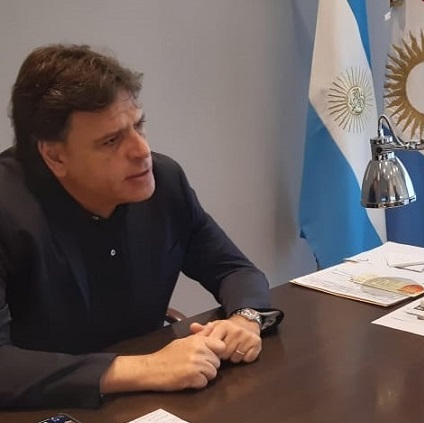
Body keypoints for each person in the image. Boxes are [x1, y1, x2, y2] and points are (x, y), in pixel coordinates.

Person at [0, 44, 283, 409]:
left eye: (138, 125)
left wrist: (245, 319)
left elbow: (234, 269)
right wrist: (145, 368)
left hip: (148, 401)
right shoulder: (9, 210)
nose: (141, 151)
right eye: (111, 140)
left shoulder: (164, 182)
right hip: (46, 407)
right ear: (55, 156)